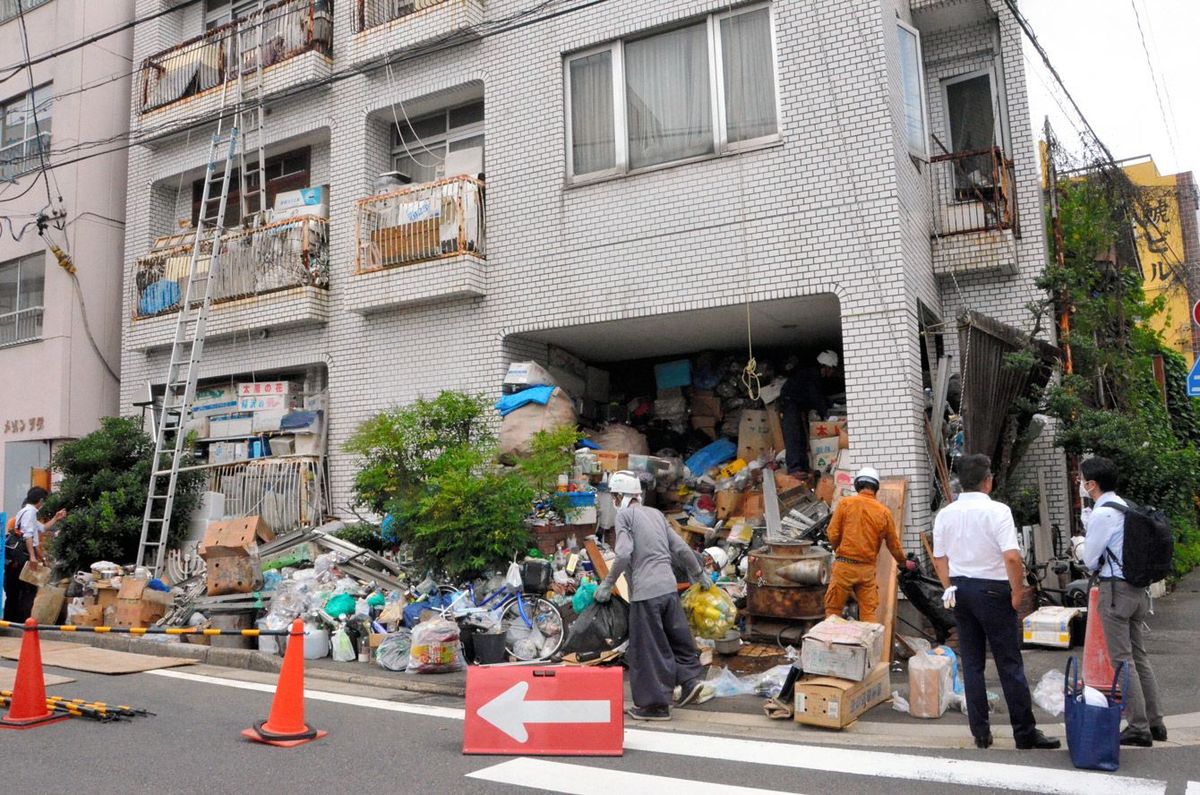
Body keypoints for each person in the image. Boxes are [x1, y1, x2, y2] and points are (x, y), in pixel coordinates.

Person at [932, 454, 1059, 750]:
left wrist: (949, 587)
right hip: (993, 589)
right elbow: (1012, 556)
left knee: (972, 663)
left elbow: (939, 557)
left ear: (961, 483)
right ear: (987, 481)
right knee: (1009, 662)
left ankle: (980, 733)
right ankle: (1024, 733)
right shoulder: (998, 511)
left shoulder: (945, 514)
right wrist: (1017, 591)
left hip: (960, 590)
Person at [595, 471, 710, 721]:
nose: (613, 502)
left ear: (619, 496)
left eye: (614, 497)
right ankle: (690, 682)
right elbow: (680, 547)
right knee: (677, 639)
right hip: (668, 589)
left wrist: (607, 583)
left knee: (648, 650)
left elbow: (624, 553)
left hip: (646, 594)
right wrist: (699, 573)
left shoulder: (625, 516)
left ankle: (654, 706)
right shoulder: (656, 514)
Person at [1080, 456, 1166, 746]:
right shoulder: (1126, 507)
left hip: (1115, 591)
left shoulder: (1102, 514)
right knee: (1139, 656)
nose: (1081, 485)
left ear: (1092, 485)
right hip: (1138, 591)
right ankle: (1156, 722)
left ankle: (1138, 727)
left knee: (1122, 659)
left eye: (1083, 481)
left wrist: (1086, 532)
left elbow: (1090, 559)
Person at [823, 467, 914, 622]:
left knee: (833, 610)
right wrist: (904, 562)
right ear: (876, 488)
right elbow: (894, 545)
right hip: (866, 571)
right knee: (868, 613)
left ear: (858, 485)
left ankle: (832, 643)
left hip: (844, 567)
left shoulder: (845, 504)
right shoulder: (884, 512)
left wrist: (836, 547)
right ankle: (871, 645)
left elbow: (833, 534)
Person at [3, 487, 66, 622]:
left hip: (17, 558)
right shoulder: (30, 513)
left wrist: (56, 518)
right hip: (23, 558)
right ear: (41, 500)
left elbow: (41, 528)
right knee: (27, 591)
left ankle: (11, 622)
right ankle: (21, 623)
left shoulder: (24, 511)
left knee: (15, 591)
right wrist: (32, 557)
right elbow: (28, 536)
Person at [779, 350, 842, 477]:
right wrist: (826, 414)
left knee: (802, 437)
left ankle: (804, 467)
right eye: (831, 369)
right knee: (794, 437)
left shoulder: (813, 375)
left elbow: (820, 397)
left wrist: (831, 406)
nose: (831, 373)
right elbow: (816, 397)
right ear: (825, 366)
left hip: (797, 406)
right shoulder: (811, 375)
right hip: (790, 405)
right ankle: (794, 469)